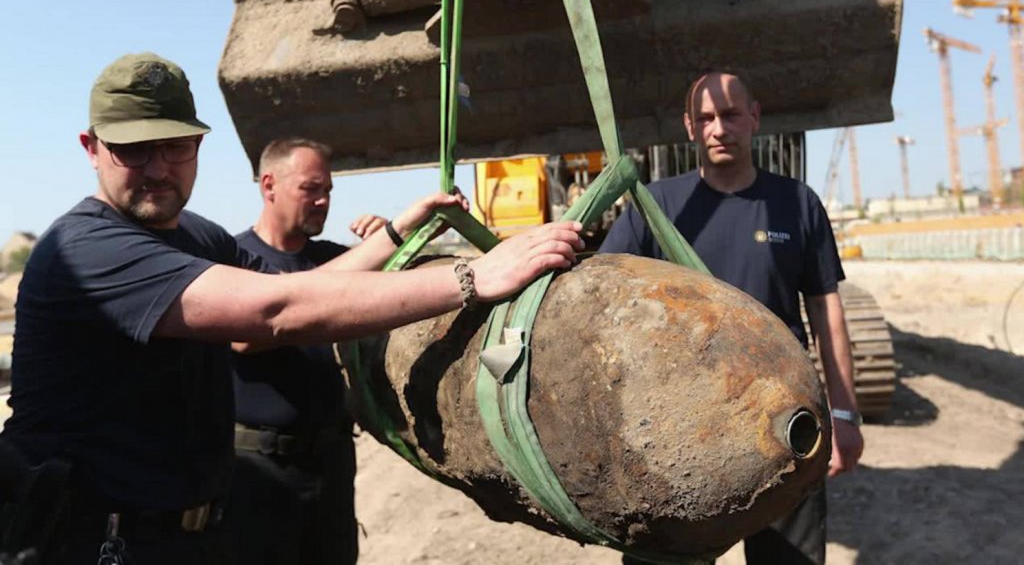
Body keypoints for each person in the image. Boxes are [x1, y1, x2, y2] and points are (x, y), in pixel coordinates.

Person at [0, 52, 583, 565]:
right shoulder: (87, 249)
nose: (157, 168)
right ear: (91, 148)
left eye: (173, 147)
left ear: (198, 145)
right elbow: (274, 311)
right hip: (99, 544)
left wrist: (397, 232)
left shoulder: (195, 235)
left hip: (192, 534)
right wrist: (473, 277)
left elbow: (309, 286)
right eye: (132, 150)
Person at [600, 72, 864, 565]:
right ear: (689, 127)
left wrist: (845, 414)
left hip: (785, 425)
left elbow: (826, 309)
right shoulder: (655, 207)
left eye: (730, 115)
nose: (719, 128)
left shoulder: (797, 203)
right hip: (677, 432)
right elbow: (603, 295)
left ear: (754, 117)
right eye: (705, 118)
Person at [227, 137, 392, 565]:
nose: (323, 201)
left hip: (330, 464)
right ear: (269, 185)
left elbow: (400, 298)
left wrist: (386, 248)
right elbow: (245, 336)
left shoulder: (333, 260)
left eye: (328, 190)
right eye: (310, 188)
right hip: (257, 474)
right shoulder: (232, 261)